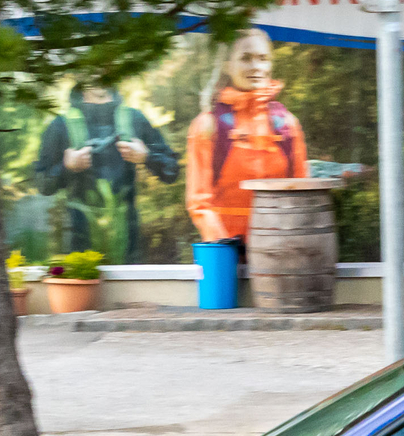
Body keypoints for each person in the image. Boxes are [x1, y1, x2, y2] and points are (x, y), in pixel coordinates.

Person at [183, 29, 309, 246]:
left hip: (280, 253)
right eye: (245, 58)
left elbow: (303, 196)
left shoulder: (287, 124)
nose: (256, 67)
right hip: (226, 254)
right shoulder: (208, 126)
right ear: (227, 65)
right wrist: (225, 248)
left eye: (263, 59)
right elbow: (199, 203)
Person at [32, 82, 180, 264]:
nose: (99, 74)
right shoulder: (60, 125)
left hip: (128, 249)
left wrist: (146, 157)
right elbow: (42, 185)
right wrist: (66, 166)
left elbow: (172, 171)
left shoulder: (134, 119)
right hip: (80, 252)